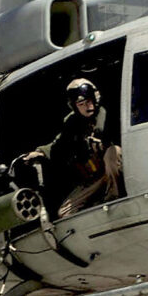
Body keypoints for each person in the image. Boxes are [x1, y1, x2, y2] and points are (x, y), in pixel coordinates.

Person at [24, 78, 124, 218]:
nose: (87, 106)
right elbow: (58, 145)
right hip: (96, 176)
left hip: (116, 169)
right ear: (74, 106)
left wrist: (104, 143)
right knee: (65, 213)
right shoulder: (72, 123)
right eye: (81, 104)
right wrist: (40, 152)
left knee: (113, 152)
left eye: (89, 101)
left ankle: (114, 198)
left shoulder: (109, 115)